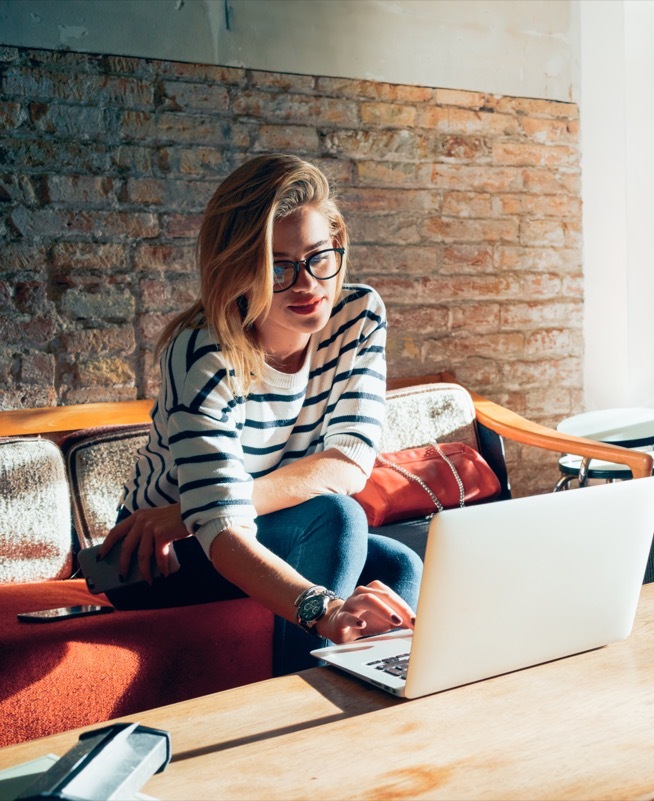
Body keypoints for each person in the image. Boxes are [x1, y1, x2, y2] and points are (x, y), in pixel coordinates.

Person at [99, 153, 420, 675]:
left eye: (319, 257)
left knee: (399, 563)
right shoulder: (203, 352)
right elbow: (223, 531)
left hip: (208, 521)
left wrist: (190, 510)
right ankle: (298, 721)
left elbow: (349, 463)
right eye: (277, 266)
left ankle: (377, 713)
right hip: (152, 556)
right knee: (338, 518)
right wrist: (329, 612)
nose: (307, 283)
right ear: (240, 269)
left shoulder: (357, 317)